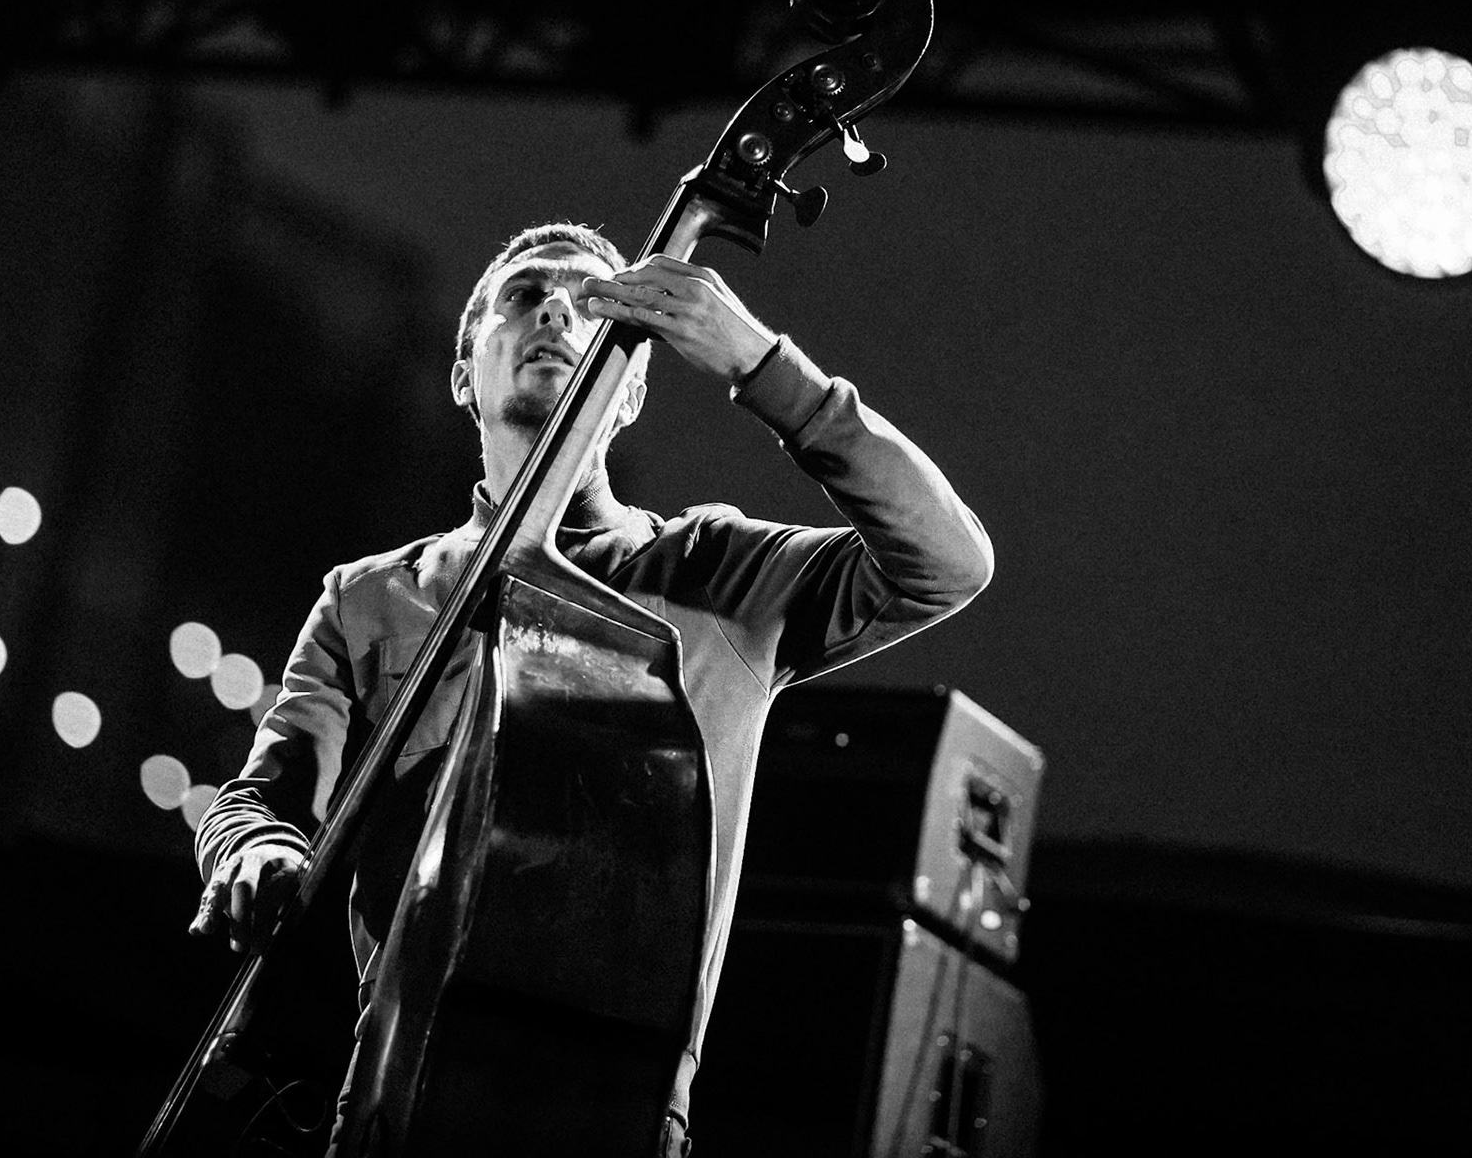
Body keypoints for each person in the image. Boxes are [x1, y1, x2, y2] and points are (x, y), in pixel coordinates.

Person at [188, 222, 993, 1154]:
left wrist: (763, 366)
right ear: (465, 377)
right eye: (524, 294)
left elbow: (947, 561)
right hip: (395, 1092)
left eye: (589, 300)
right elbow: (262, 798)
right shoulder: (370, 599)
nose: (557, 309)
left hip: (616, 1104)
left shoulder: (713, 576)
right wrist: (252, 850)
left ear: (633, 393)